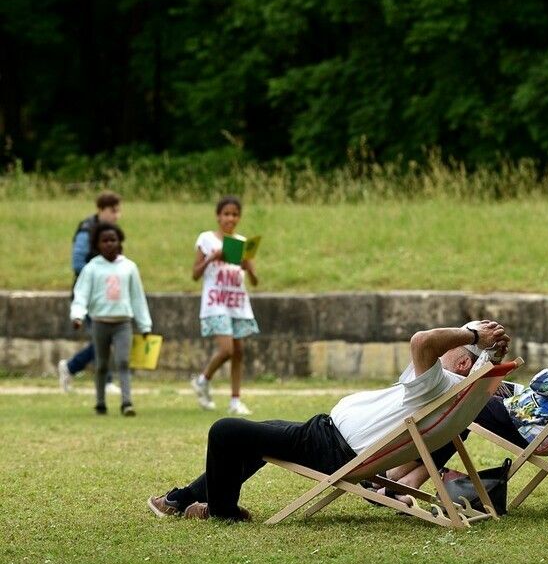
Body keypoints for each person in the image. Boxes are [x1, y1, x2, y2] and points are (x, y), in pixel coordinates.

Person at [147, 320, 511, 520]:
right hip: (327, 435)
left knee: (225, 430)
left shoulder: (436, 384)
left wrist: (472, 335)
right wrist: (488, 352)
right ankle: (183, 499)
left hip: (331, 448)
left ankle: (220, 511)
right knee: (262, 433)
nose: (441, 350)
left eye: (450, 351)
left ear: (462, 363)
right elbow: (455, 357)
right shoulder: (453, 393)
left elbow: (422, 341)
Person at [369, 277, 548, 501]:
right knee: (470, 398)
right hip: (544, 420)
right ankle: (402, 479)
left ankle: (397, 476)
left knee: (458, 403)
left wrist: (500, 383)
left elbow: (545, 381)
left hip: (531, 428)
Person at [70, 222, 153, 416]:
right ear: (97, 245)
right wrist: (78, 315)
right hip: (100, 322)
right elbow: (81, 294)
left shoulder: (129, 267)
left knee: (123, 361)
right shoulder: (92, 268)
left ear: (120, 242)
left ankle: (127, 402)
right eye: (104, 241)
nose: (109, 244)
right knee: (102, 364)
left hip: (123, 323)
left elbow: (137, 297)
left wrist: (145, 324)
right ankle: (100, 402)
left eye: (112, 240)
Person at [190, 196, 260, 415]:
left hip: (237, 302)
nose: (230, 218)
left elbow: (255, 281)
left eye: (235, 214)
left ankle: (235, 400)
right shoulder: (206, 239)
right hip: (216, 301)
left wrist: (249, 268)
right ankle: (203, 380)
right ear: (218, 216)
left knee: (238, 351)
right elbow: (195, 274)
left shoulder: (242, 243)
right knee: (227, 349)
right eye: (226, 214)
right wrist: (212, 258)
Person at [58, 191, 122, 393]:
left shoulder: (112, 231)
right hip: (89, 295)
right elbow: (78, 263)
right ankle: (75, 369)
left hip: (108, 295)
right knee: (102, 338)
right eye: (113, 211)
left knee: (105, 337)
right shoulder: (86, 230)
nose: (116, 215)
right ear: (101, 209)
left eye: (118, 211)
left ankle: (75, 369)